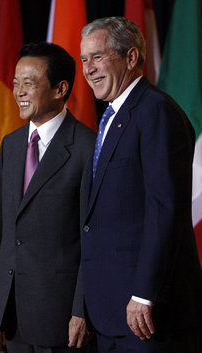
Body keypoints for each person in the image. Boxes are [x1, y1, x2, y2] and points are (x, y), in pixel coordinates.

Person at [79, 16, 202, 353]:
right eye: (84, 59)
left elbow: (165, 209)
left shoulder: (155, 113)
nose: (88, 69)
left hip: (145, 314)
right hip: (110, 309)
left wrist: (143, 293)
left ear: (131, 58)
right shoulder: (113, 117)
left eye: (98, 57)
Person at [0, 42, 96, 353]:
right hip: (11, 308)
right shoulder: (11, 144)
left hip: (60, 317)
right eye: (16, 82)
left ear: (60, 89)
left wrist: (80, 309)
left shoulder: (87, 148)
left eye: (28, 83)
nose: (18, 91)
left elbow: (92, 238)